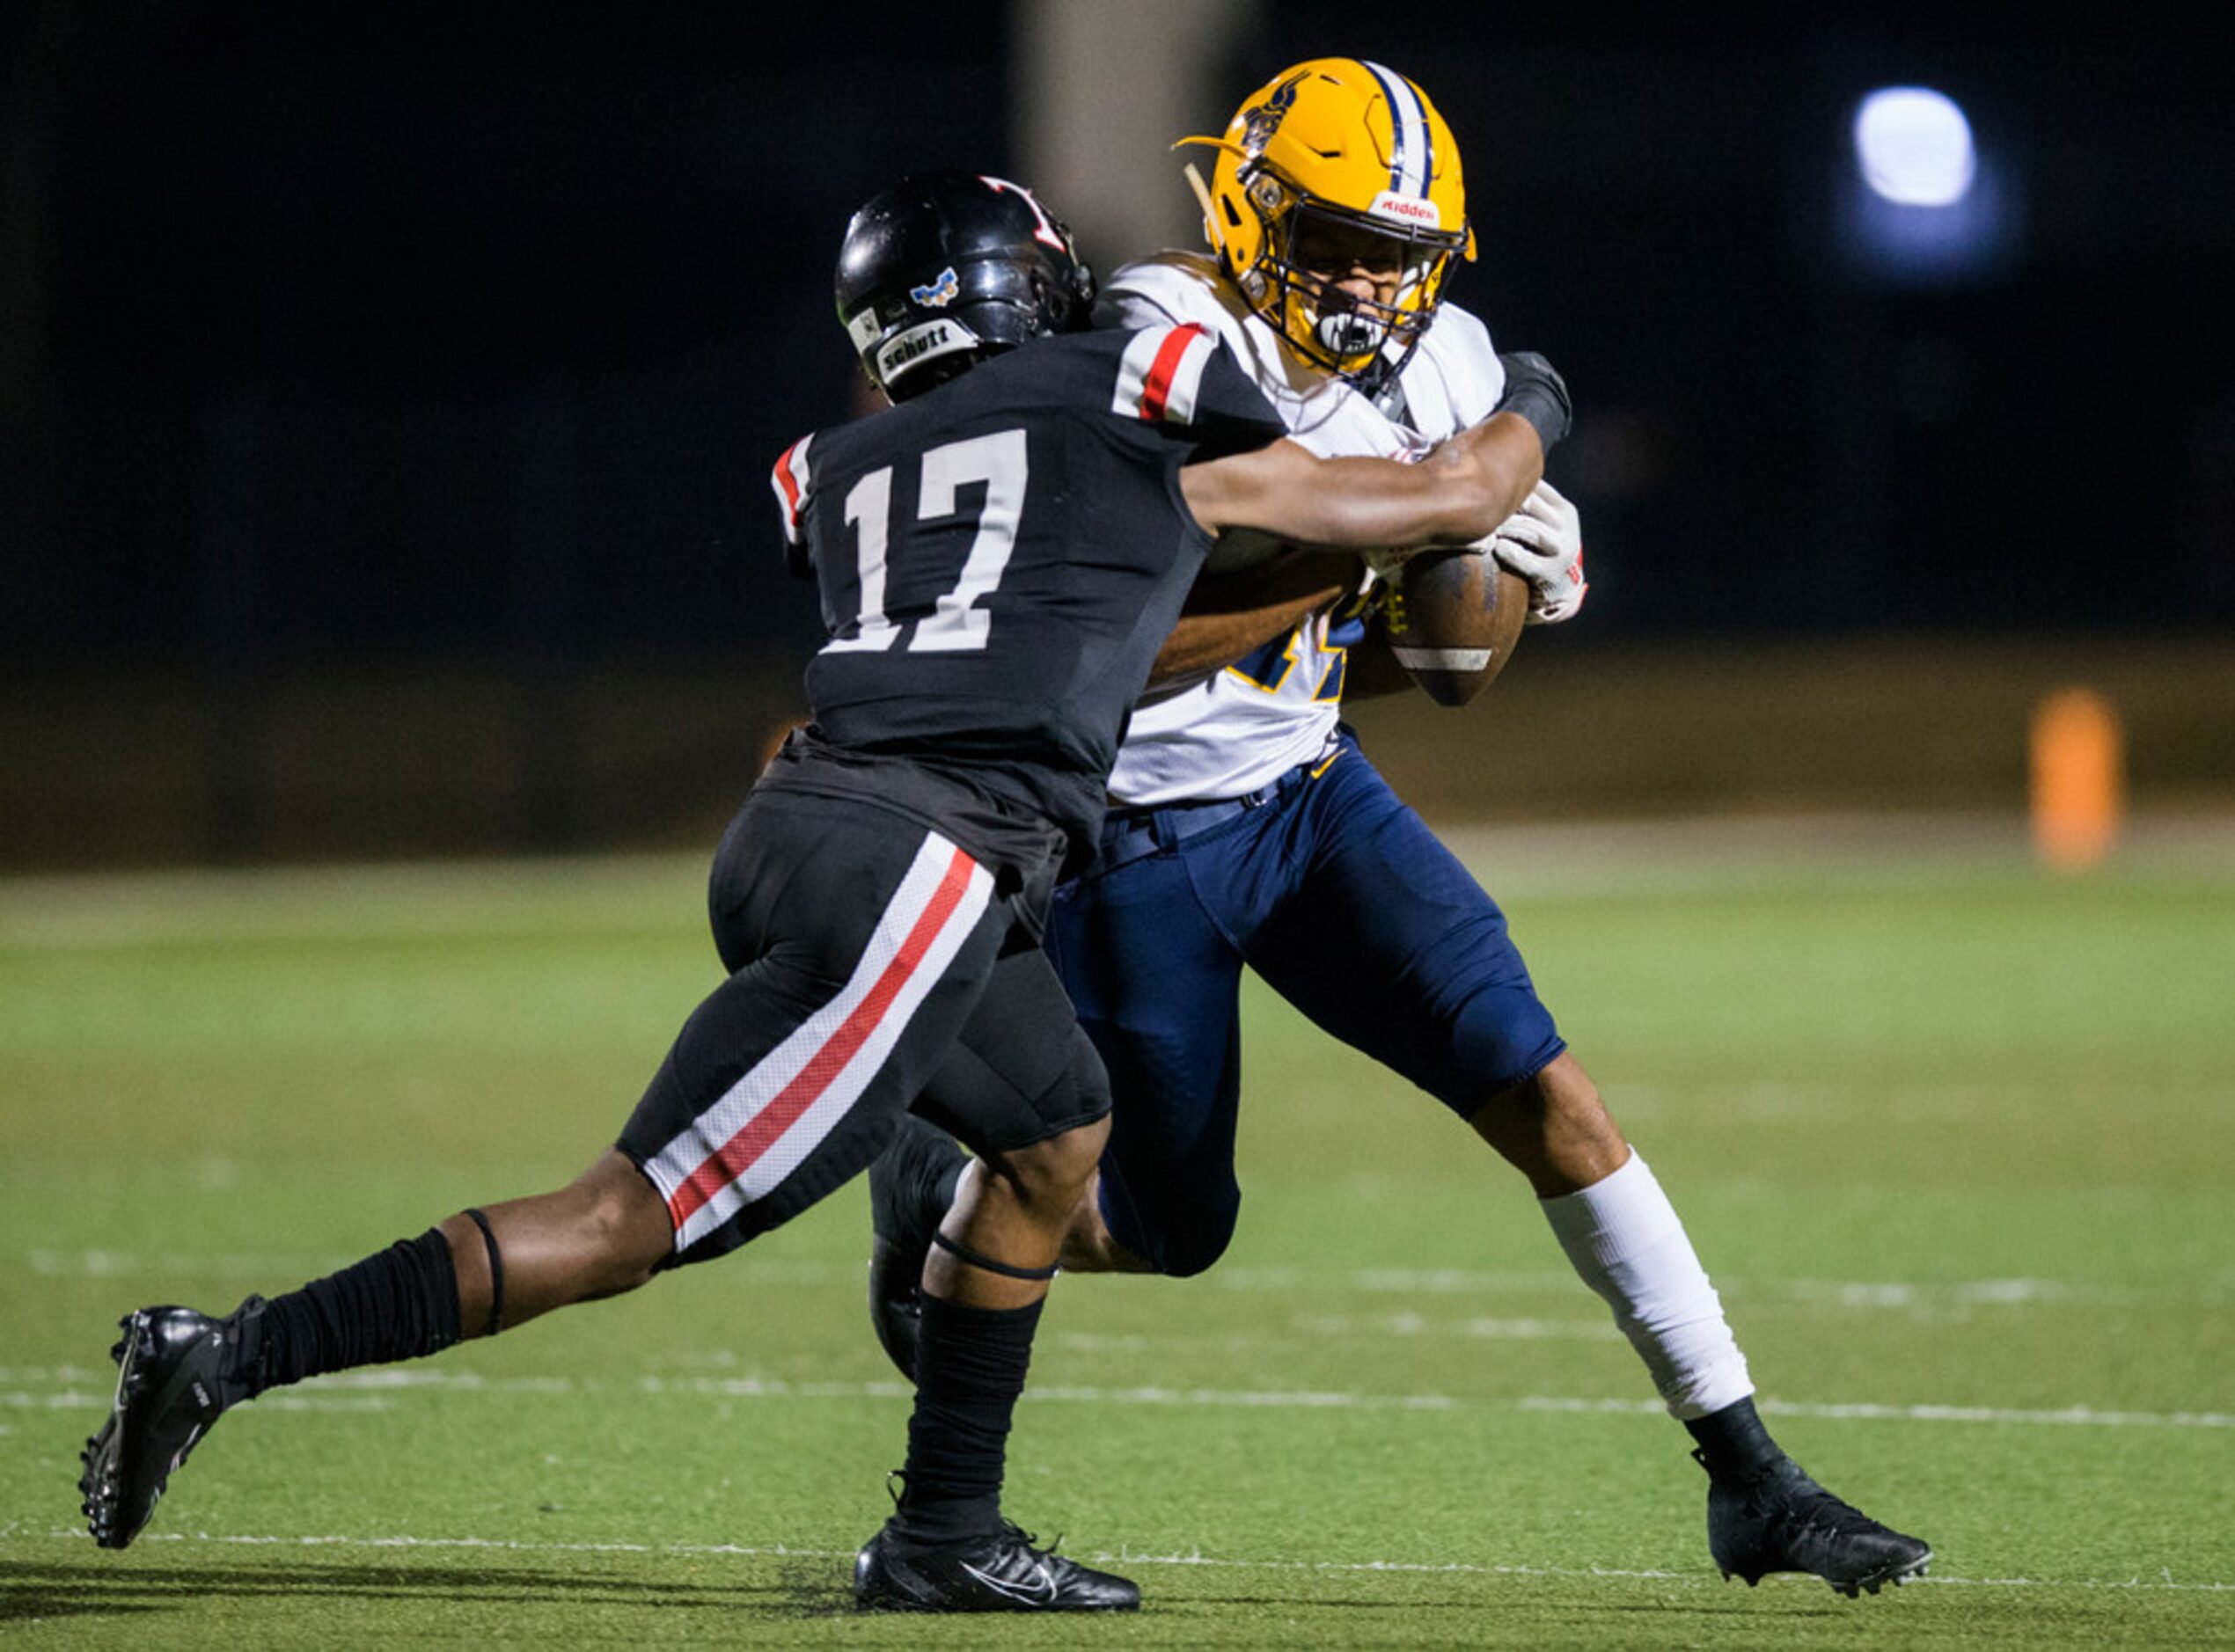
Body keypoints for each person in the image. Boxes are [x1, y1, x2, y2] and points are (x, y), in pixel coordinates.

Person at [77, 167, 1565, 1614]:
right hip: (926, 864)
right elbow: (1442, 492)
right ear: (1024, 289)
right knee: (622, 1218)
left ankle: (944, 1533)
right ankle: (224, 1353)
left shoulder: (827, 467)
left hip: (813, 819)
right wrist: (1535, 410)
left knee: (1058, 1127)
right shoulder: (1124, 393)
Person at [863, 62, 1934, 1599]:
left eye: (1399, 249)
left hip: (1307, 797)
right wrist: (1406, 535)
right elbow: (1096, 648)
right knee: (1174, 1226)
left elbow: (1441, 672)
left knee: (1549, 1091)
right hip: (1133, 831)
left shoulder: (1449, 364)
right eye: (1338, 237)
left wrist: (1478, 580)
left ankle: (1752, 1472)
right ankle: (935, 1177)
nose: (1373, 281)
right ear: (1248, 207)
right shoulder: (1153, 340)